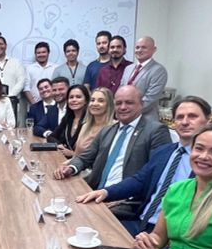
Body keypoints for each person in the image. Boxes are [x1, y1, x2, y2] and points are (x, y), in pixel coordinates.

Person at [78, 96, 212, 236]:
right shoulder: (165, 151)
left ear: (208, 120)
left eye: (192, 116)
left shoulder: (210, 163)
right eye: (180, 117)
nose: (185, 122)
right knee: (83, 226)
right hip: (141, 223)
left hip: (175, 236)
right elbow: (139, 180)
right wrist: (105, 192)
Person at [53, 85, 172, 215]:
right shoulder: (107, 131)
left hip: (126, 201)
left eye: (129, 103)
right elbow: (84, 157)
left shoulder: (155, 131)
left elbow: (155, 174)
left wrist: (119, 196)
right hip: (97, 192)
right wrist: (70, 168)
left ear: (141, 104)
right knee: (56, 199)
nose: (123, 107)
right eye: (119, 103)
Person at [121, 37, 168, 119]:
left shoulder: (159, 70)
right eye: (137, 47)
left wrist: (129, 111)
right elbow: (121, 91)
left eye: (144, 47)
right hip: (124, 117)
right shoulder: (128, 68)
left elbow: (150, 98)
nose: (139, 50)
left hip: (145, 119)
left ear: (154, 49)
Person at [50, 85, 91, 158]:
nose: (74, 100)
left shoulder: (91, 121)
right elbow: (51, 137)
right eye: (71, 97)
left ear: (86, 101)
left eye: (78, 97)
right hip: (64, 161)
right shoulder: (67, 118)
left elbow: (92, 152)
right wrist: (59, 145)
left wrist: (72, 153)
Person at [73, 87, 115, 156]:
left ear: (109, 104)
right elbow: (76, 156)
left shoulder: (114, 127)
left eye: (101, 101)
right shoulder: (85, 126)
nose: (95, 104)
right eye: (92, 100)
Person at [24, 41, 57, 106]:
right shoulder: (29, 68)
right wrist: (35, 105)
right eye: (38, 53)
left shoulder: (55, 68)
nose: (41, 55)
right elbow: (26, 88)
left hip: (53, 105)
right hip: (34, 105)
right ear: (35, 54)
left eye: (43, 52)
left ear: (48, 53)